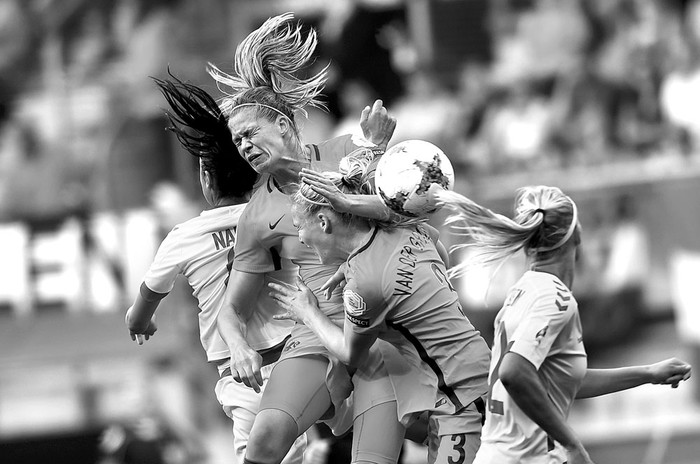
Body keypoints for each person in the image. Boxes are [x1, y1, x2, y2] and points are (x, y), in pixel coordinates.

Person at [209, 12, 425, 464]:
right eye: (237, 140)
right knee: (263, 442)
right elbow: (231, 310)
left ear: (284, 126)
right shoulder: (257, 214)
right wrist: (239, 346)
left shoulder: (348, 151)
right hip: (316, 333)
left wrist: (374, 153)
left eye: (250, 133)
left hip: (382, 334)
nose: (244, 146)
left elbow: (407, 210)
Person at [435, 185, 692, 464]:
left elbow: (562, 382)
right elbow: (514, 371)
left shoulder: (524, 292)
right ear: (576, 234)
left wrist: (649, 373)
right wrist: (571, 443)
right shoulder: (553, 299)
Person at [124, 74, 305, 464]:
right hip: (304, 359)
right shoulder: (283, 213)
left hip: (245, 378)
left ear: (206, 180)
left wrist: (141, 323)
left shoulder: (184, 236)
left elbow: (142, 306)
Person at [267, 156, 492, 464]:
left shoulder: (364, 284)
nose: (301, 239)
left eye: (299, 228)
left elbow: (350, 353)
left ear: (323, 222)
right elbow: (412, 225)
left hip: (461, 397)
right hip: (472, 372)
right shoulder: (406, 229)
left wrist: (309, 312)